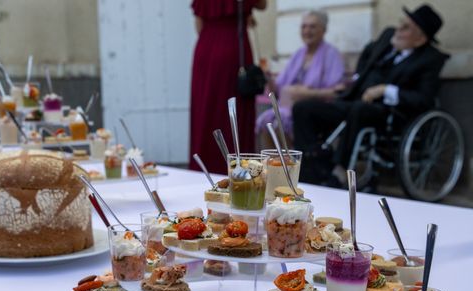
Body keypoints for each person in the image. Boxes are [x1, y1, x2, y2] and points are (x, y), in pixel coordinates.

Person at [292, 4, 448, 186]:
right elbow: (368, 51)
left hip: (386, 112)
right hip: (355, 100)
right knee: (303, 108)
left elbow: (424, 99)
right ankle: (314, 166)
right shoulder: (389, 37)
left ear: (420, 39)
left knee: (359, 109)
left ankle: (341, 169)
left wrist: (385, 90)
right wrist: (359, 76)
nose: (399, 29)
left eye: (406, 28)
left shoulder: (429, 60)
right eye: (401, 23)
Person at [189, 0, 267, 175]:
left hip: (206, 47)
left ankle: (204, 168)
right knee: (236, 109)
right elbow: (262, 4)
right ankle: (240, 170)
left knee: (206, 110)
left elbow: (199, 23)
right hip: (233, 47)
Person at [256, 10, 344, 148]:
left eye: (312, 26)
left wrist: (305, 94)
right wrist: (267, 78)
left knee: (279, 123)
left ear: (324, 29)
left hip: (314, 110)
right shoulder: (298, 54)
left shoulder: (331, 54)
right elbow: (278, 89)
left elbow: (336, 92)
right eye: (304, 26)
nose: (307, 31)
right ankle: (272, 166)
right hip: (287, 107)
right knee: (267, 122)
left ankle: (292, 165)